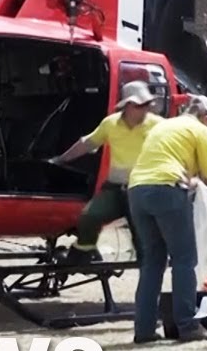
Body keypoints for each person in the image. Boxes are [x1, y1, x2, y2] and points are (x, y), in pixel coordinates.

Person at [126, 95, 207, 344]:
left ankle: (143, 330)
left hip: (136, 191)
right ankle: (188, 326)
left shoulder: (165, 125)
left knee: (153, 262)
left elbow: (162, 161)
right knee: (185, 259)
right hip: (167, 189)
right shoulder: (200, 130)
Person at [50, 81, 165, 264]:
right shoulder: (110, 124)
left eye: (147, 105)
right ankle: (85, 250)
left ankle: (150, 273)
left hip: (143, 190)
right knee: (89, 216)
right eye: (140, 105)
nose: (145, 109)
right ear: (127, 106)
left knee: (143, 238)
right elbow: (87, 144)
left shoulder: (158, 125)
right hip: (115, 188)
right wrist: (62, 159)